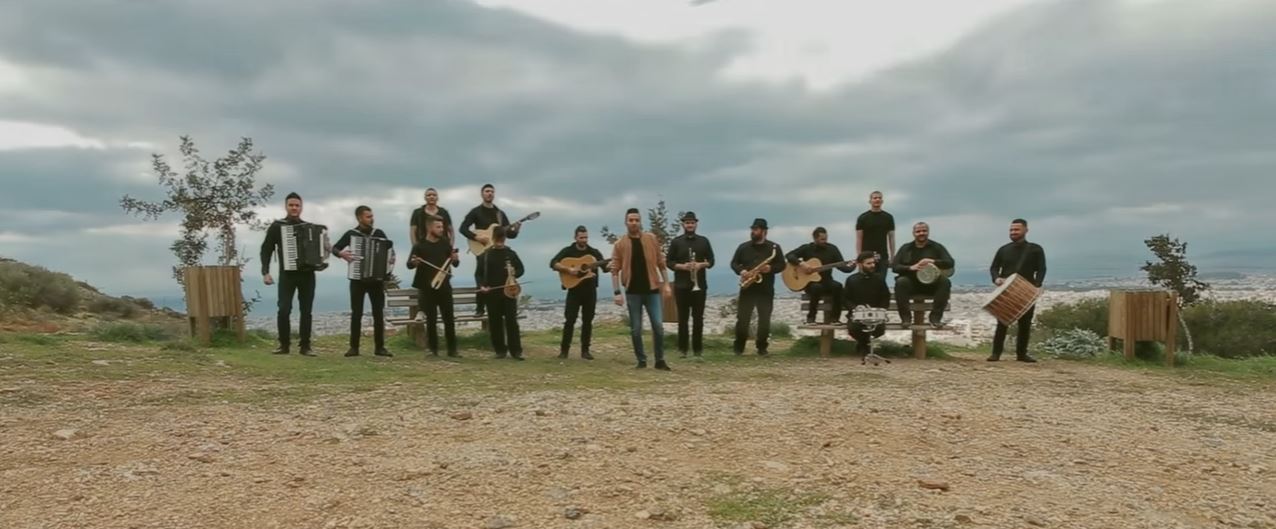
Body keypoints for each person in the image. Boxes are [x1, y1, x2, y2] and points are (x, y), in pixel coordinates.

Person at [259, 192, 322, 356]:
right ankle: (284, 345)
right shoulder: (277, 226)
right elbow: (266, 249)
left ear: (301, 207)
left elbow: (319, 249)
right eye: (291, 205)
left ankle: (305, 346)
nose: (294, 208)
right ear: (286, 207)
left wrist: (322, 256)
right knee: (284, 309)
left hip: (307, 274)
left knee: (306, 311)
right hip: (287, 274)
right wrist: (265, 272)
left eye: (297, 205)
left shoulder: (310, 227)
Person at [609, 208, 672, 370]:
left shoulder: (651, 239)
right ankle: (641, 360)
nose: (634, 223)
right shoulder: (620, 244)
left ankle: (659, 360)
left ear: (640, 222)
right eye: (631, 220)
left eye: (637, 220)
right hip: (633, 292)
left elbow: (661, 262)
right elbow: (614, 270)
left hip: (652, 290)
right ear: (626, 222)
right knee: (636, 329)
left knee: (658, 326)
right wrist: (617, 292)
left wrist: (666, 284)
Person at [332, 205, 394, 357]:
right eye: (368, 217)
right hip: (357, 278)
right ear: (359, 218)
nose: (372, 219)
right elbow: (335, 248)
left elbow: (389, 249)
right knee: (356, 313)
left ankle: (380, 347)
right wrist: (342, 254)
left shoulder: (379, 233)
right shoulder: (351, 234)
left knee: (378, 313)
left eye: (372, 216)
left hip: (376, 280)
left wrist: (391, 259)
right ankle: (354, 348)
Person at [988, 218, 1047, 363]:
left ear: (1026, 230)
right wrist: (996, 278)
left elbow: (1041, 269)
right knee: (1002, 322)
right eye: (1011, 230)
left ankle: (1022, 354)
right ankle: (996, 353)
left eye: (1016, 229)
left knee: (1025, 323)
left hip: (1027, 290)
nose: (1013, 232)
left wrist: (1037, 285)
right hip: (1007, 290)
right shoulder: (1003, 250)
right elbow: (994, 268)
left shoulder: (1035, 249)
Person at [459, 184, 520, 317]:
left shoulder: (500, 214)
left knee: (500, 276)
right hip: (482, 249)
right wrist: (476, 237)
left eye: (492, 191)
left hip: (498, 250)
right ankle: (480, 308)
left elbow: (508, 234)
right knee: (483, 276)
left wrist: (516, 230)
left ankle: (503, 305)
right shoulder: (475, 212)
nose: (489, 193)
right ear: (482, 194)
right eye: (487, 191)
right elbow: (462, 228)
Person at [730, 218, 786, 356]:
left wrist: (770, 268)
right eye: (752, 229)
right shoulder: (743, 247)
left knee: (764, 319)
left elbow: (782, 265)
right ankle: (738, 348)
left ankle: (762, 347)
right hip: (748, 288)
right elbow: (734, 263)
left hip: (765, 288)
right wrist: (742, 271)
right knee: (743, 319)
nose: (753, 232)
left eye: (756, 229)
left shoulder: (774, 248)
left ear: (764, 231)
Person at [407, 216, 462, 357]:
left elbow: (455, 263)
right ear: (430, 228)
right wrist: (414, 262)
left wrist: (455, 259)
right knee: (431, 320)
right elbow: (409, 264)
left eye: (442, 227)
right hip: (427, 288)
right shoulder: (419, 246)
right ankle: (433, 349)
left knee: (448, 319)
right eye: (438, 227)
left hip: (444, 286)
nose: (441, 230)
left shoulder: (445, 243)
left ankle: (452, 350)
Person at [550, 226, 606, 360]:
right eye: (581, 237)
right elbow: (553, 263)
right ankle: (564, 350)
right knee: (570, 320)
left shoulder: (594, 252)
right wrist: (568, 270)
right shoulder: (568, 251)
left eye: (586, 237)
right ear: (575, 238)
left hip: (590, 290)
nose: (584, 240)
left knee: (588, 321)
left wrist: (613, 264)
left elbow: (606, 268)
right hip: (574, 290)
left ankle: (585, 351)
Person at [667, 211, 715, 358]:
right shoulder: (676, 242)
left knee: (698, 319)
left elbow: (711, 261)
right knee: (683, 319)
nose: (690, 225)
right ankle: (682, 349)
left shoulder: (704, 241)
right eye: (687, 223)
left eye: (692, 223)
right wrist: (682, 266)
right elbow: (669, 262)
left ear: (696, 224)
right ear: (683, 224)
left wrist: (700, 265)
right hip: (681, 286)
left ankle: (698, 350)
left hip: (699, 286)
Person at [785, 226, 855, 324]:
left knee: (838, 286)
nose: (824, 241)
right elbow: (789, 255)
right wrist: (801, 263)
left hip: (827, 281)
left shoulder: (832, 249)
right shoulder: (807, 248)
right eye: (822, 239)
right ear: (815, 238)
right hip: (810, 283)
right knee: (816, 288)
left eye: (826, 239)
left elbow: (843, 267)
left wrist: (853, 266)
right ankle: (811, 318)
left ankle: (835, 319)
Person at [891, 222, 954, 328]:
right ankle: (906, 319)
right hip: (911, 283)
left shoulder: (936, 247)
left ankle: (935, 318)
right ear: (913, 233)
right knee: (901, 282)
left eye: (924, 231)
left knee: (945, 282)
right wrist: (911, 267)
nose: (921, 233)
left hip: (931, 284)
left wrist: (932, 261)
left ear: (928, 232)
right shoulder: (906, 248)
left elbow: (950, 262)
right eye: (918, 231)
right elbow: (895, 267)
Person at [477, 227, 525, 360]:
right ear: (493, 238)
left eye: (502, 239)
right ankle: (500, 350)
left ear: (504, 239)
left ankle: (516, 351)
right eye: (497, 239)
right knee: (495, 322)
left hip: (509, 292)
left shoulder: (511, 254)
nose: (499, 242)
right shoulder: (486, 255)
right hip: (492, 293)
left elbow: (521, 269)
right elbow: (478, 274)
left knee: (511, 322)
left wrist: (514, 273)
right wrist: (482, 286)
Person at [843, 251, 891, 356]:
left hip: (876, 314)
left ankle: (863, 345)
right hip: (857, 314)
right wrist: (855, 308)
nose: (872, 265)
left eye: (873, 263)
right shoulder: (851, 280)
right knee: (854, 328)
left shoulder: (879, 279)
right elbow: (846, 299)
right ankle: (865, 345)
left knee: (880, 329)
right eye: (868, 263)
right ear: (860, 264)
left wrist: (882, 310)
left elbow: (885, 297)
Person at [856, 190, 896, 264]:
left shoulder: (888, 217)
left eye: (879, 198)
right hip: (866, 256)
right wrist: (859, 257)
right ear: (870, 201)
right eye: (875, 198)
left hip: (882, 255)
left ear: (882, 201)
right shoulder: (862, 218)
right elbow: (859, 239)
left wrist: (893, 256)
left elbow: (891, 238)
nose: (877, 199)